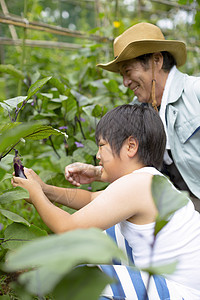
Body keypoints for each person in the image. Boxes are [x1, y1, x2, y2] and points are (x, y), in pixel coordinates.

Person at [12, 104, 200, 299]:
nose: (98, 155)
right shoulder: (150, 180)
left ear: (131, 146)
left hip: (182, 293)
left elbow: (68, 228)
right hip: (184, 285)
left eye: (102, 145)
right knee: (106, 234)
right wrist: (44, 189)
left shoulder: (138, 185)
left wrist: (36, 196)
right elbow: (92, 199)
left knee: (87, 279)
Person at [65, 22, 200, 203]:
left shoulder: (195, 93)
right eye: (122, 75)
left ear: (157, 61)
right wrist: (97, 172)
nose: (125, 83)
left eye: (128, 72)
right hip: (180, 207)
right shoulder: (139, 112)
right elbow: (133, 164)